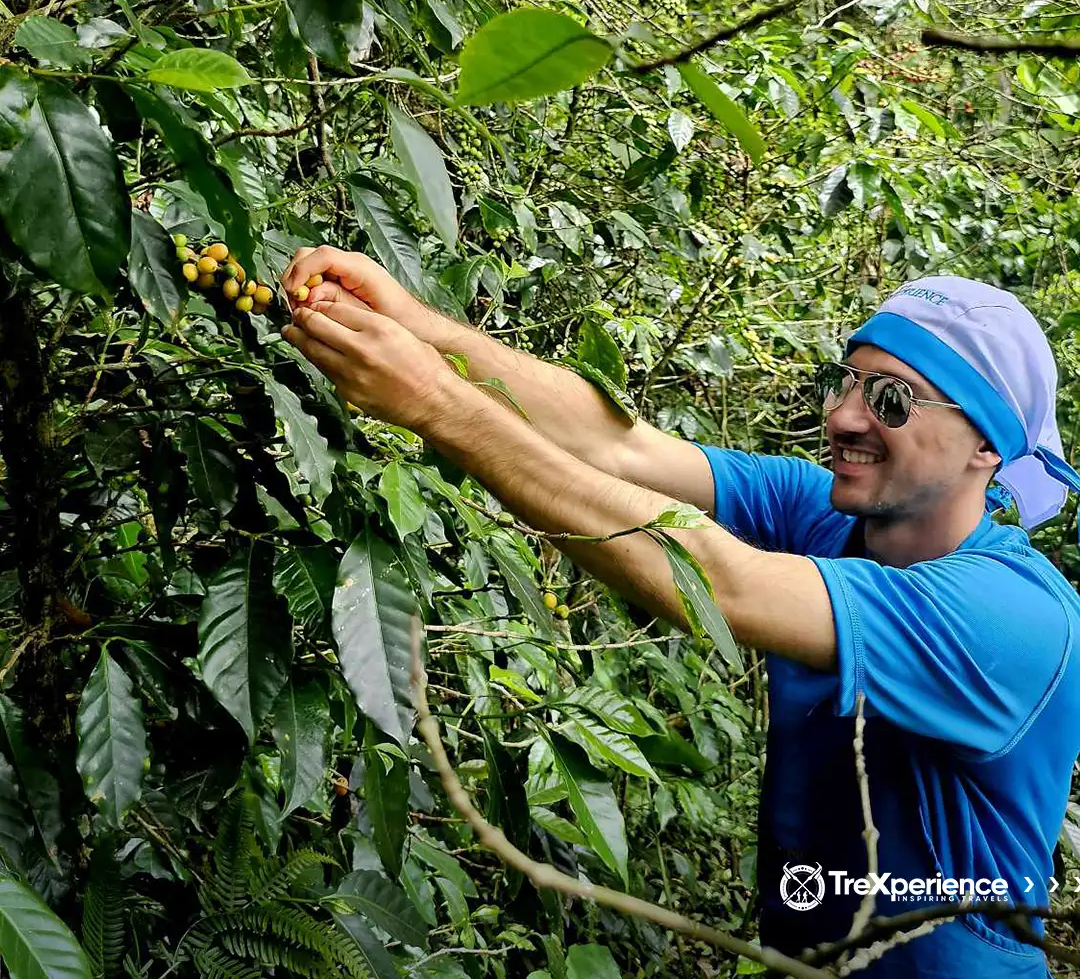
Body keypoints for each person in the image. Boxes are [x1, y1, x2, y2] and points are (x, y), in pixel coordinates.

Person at [279, 251, 1080, 977]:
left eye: (892, 400)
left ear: (986, 447)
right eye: (846, 382)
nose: (842, 418)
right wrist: (409, 321)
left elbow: (721, 585)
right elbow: (618, 446)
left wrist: (436, 403)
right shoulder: (830, 518)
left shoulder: (1008, 616)